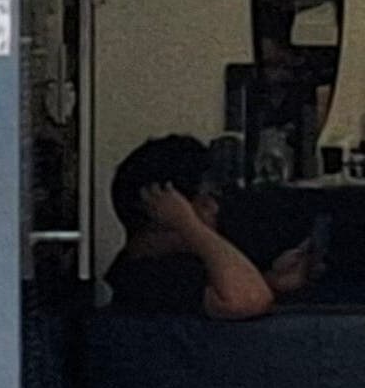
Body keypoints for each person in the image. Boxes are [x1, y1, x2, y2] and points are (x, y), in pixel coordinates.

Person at [104, 135, 315, 319]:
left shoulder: (179, 264)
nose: (214, 208)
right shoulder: (145, 276)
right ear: (164, 209)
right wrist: (188, 223)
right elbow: (248, 300)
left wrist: (271, 282)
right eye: (204, 200)